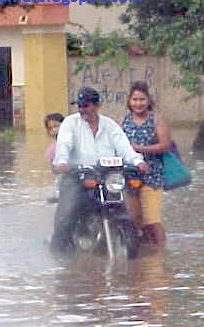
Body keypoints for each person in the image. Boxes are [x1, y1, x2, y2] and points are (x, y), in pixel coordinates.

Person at [50, 86, 149, 254]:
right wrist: (62, 162)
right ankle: (57, 256)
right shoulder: (70, 123)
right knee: (66, 217)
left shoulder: (110, 125)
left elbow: (124, 147)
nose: (82, 110)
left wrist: (138, 161)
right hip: (77, 177)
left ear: (97, 106)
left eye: (86, 106)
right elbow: (64, 145)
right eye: (79, 106)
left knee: (126, 208)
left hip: (106, 177)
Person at [119, 81, 172, 247]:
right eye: (135, 99)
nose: (138, 103)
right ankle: (144, 259)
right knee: (134, 218)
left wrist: (138, 149)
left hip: (152, 175)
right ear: (129, 101)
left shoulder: (156, 119)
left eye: (142, 99)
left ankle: (161, 255)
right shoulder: (122, 121)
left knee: (152, 219)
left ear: (148, 100)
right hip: (128, 175)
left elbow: (165, 145)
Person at [44, 112, 64, 201]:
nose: (54, 130)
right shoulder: (52, 148)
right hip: (62, 179)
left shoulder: (75, 141)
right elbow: (53, 169)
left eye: (56, 126)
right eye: (50, 128)